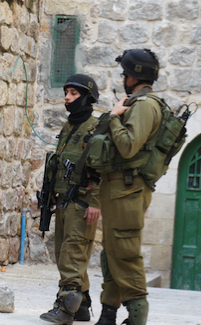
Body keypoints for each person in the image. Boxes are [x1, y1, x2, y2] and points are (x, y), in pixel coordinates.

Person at [93, 49, 162, 325]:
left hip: (128, 189)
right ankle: (108, 313)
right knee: (111, 253)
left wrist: (114, 116)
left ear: (135, 76)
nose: (123, 77)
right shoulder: (137, 101)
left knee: (125, 252)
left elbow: (129, 145)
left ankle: (137, 314)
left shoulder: (145, 105)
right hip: (119, 188)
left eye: (125, 73)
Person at [39, 75, 101, 324]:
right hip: (64, 200)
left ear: (87, 98)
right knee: (64, 253)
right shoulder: (69, 127)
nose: (67, 97)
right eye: (66, 92)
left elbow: (103, 168)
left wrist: (96, 201)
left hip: (83, 203)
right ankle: (82, 304)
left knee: (72, 254)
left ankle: (66, 307)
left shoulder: (96, 129)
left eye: (74, 93)